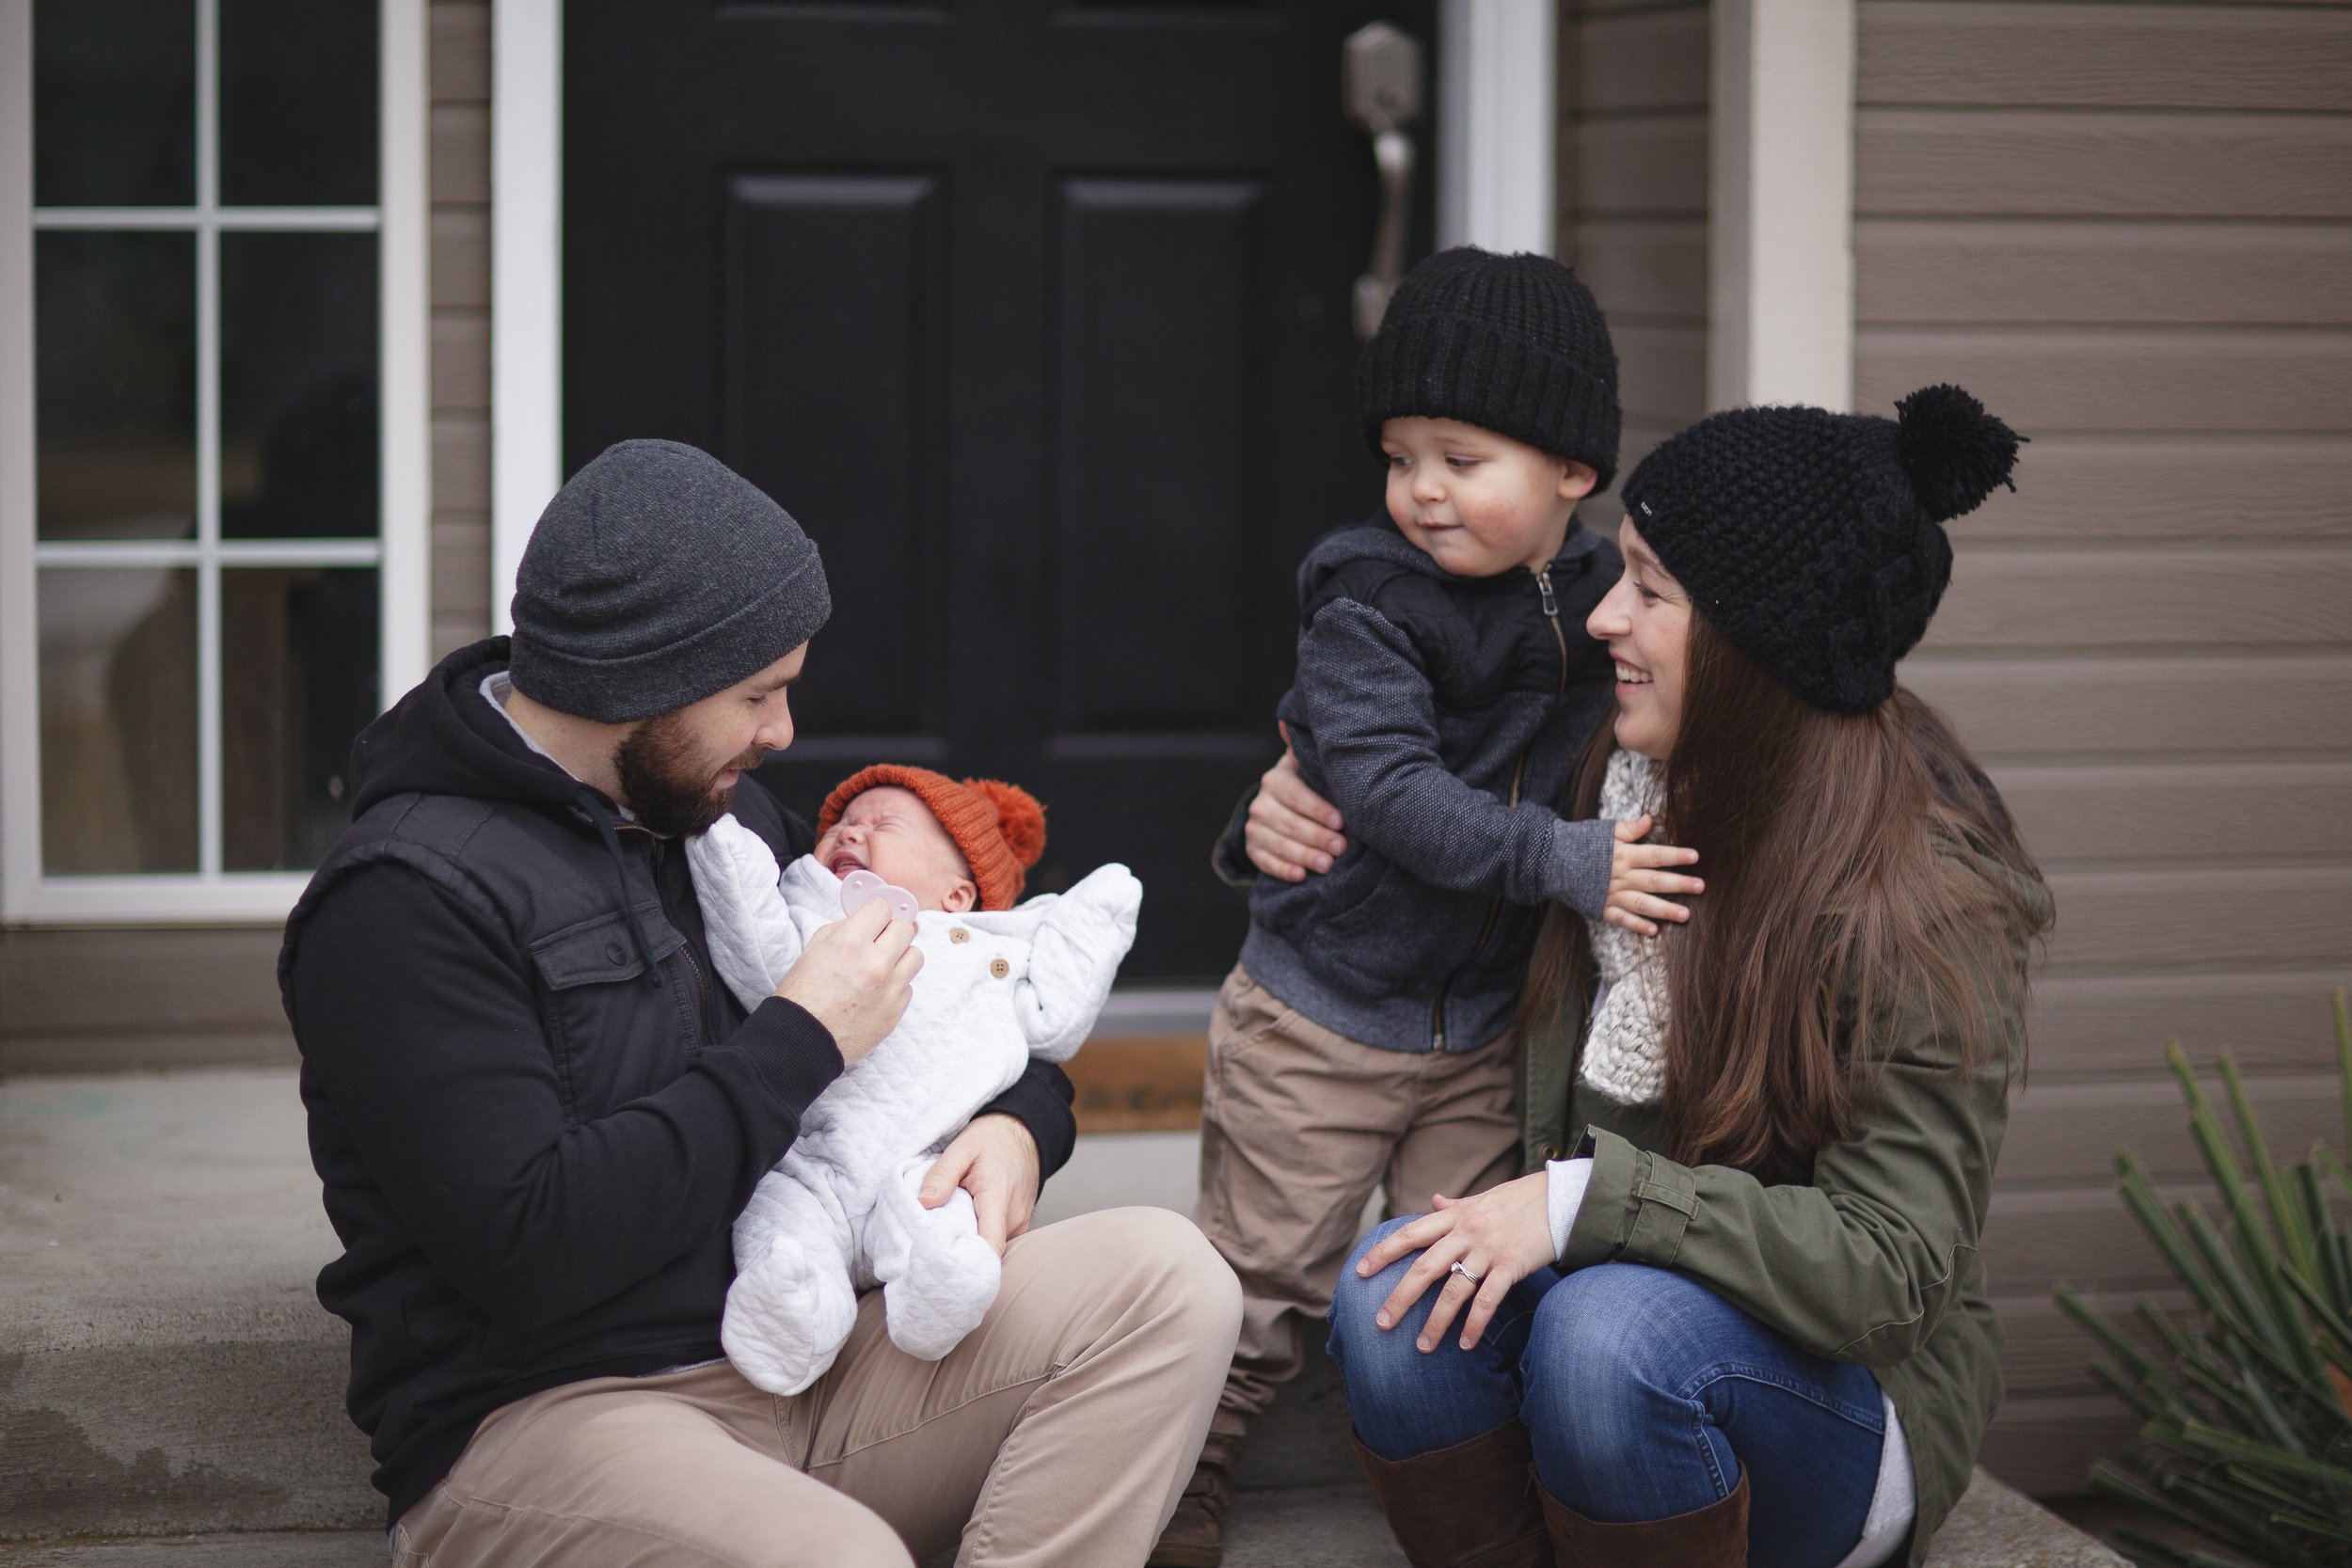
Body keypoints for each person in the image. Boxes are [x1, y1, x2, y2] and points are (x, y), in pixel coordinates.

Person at [281, 439, 1240, 1568]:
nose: (783, 733)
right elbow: (530, 1246)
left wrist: (1020, 1123)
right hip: (554, 1419)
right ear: (639, 677)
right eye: (756, 694)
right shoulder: (406, 900)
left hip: (811, 1361)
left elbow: (941, 1007)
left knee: (1171, 1283)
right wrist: (800, 1038)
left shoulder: (710, 815)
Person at [1302, 386, 2055, 1568]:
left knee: (1608, 1333)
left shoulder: (1921, 899)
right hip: (1603, 1336)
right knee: (1385, 1298)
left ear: (1756, 643)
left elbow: (1889, 1267)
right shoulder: (1617, 781)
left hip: (1833, 1401)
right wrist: (1283, 809)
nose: (1605, 614)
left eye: (1650, 587)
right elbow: (1426, 795)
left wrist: (1579, 1203)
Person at [1157, 248, 1702, 1568]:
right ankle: (1181, 1478)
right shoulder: (1365, 599)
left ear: (1573, 469)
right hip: (1323, 1013)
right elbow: (1393, 793)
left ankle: (1458, 1489)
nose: (1420, 490)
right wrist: (1569, 862)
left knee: (1451, 1276)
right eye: (1401, 455)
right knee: (1260, 1278)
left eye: (1462, 456)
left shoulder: (1605, 608)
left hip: (1482, 1033)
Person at [687, 767, 1142, 1394]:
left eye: (882, 823)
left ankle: (939, 1285)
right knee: (782, 1224)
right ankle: (792, 1313)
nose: (851, 830)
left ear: (958, 894)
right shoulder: (815, 917)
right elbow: (759, 953)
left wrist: (1093, 917)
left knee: (943, 1221)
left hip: (928, 1163)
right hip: (812, 1160)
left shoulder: (991, 949)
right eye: (844, 824)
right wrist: (724, 849)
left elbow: (1054, 1024)